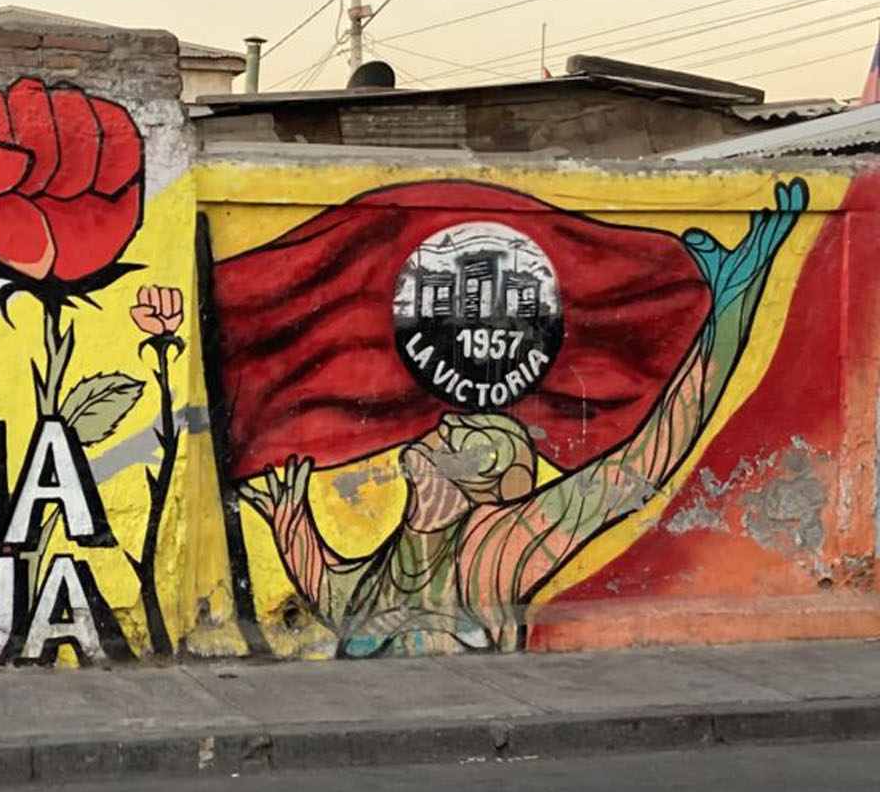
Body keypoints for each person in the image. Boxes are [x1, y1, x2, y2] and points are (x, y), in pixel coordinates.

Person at [240, 181, 807, 656]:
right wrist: (293, 526)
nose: (441, 424)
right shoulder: (400, 555)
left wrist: (731, 312)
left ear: (478, 474)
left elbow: (649, 455)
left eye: (462, 434)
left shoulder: (497, 548)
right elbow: (340, 601)